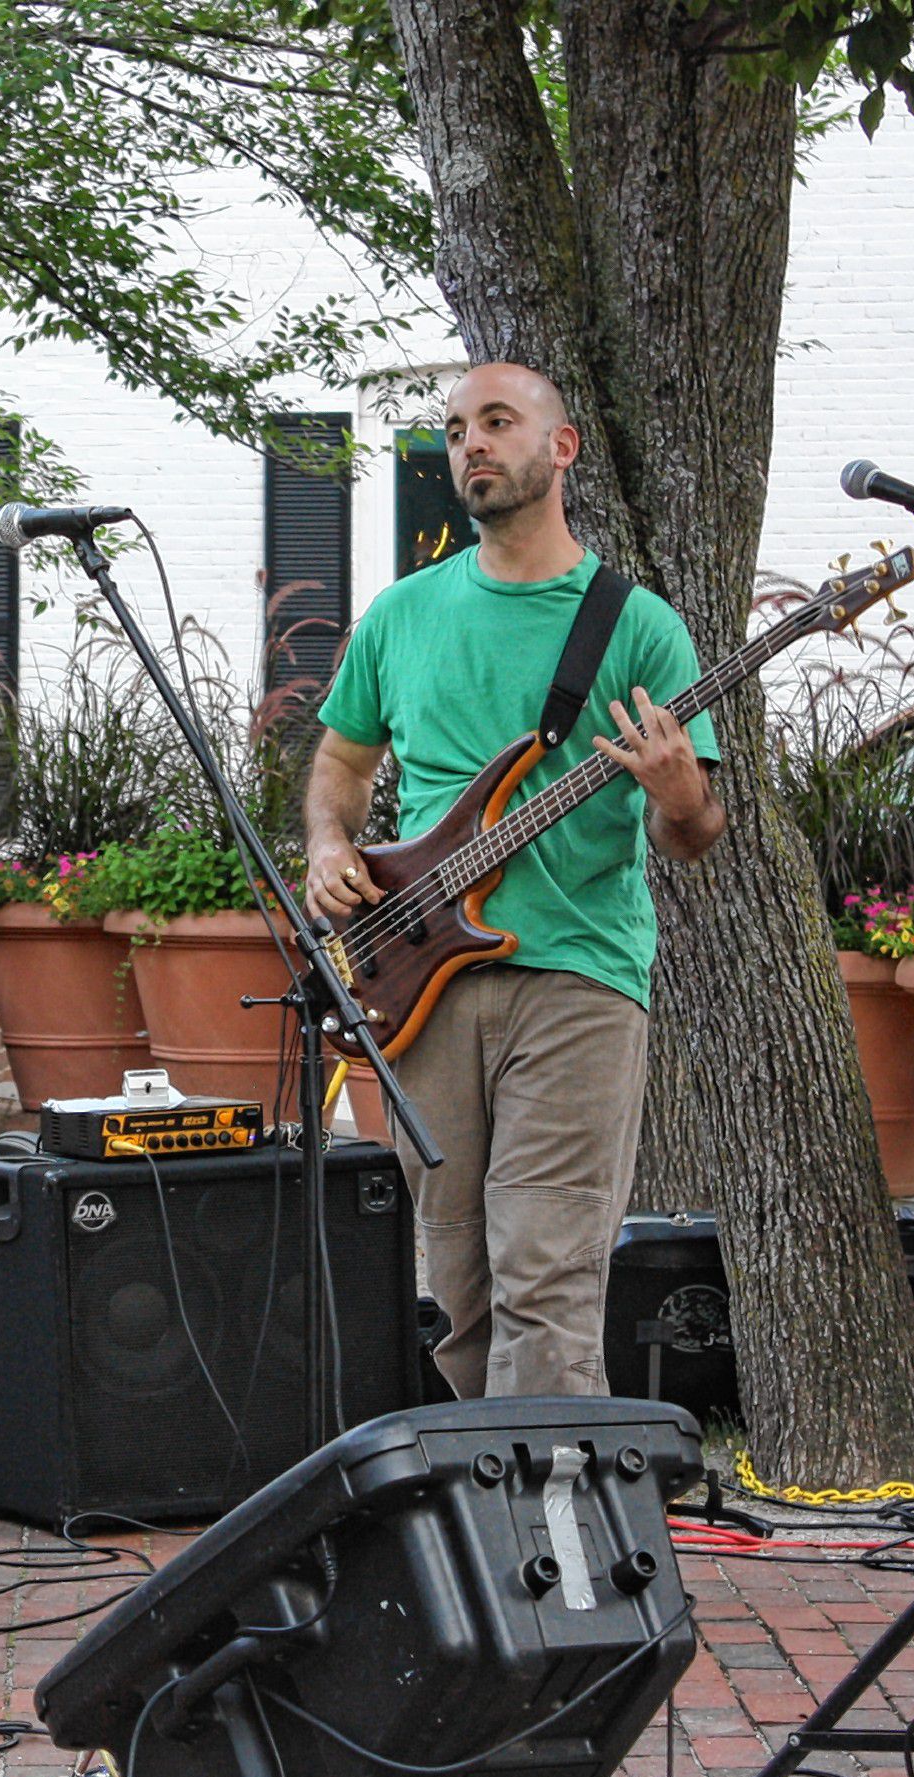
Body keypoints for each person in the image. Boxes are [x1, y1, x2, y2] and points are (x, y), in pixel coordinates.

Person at [301, 361, 724, 1400]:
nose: (471, 446)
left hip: (576, 974)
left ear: (560, 447)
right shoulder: (403, 613)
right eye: (454, 431)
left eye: (496, 422)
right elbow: (342, 769)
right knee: (459, 1282)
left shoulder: (636, 624)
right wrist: (326, 846)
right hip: (417, 978)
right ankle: (485, 1522)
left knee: (546, 1267)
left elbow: (694, 834)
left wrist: (676, 791)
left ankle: (554, 1527)